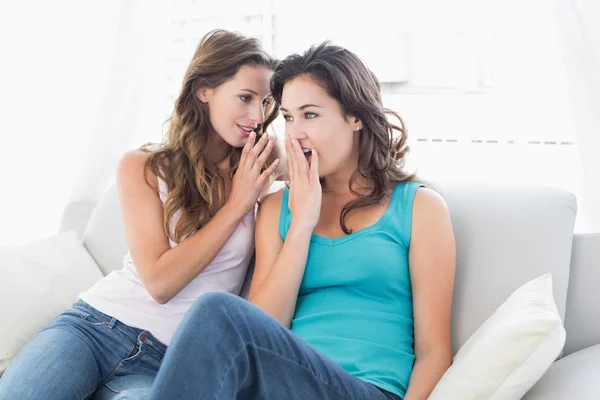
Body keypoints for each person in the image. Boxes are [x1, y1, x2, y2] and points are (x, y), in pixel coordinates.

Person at [147, 42, 456, 400]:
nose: (295, 133)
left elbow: (435, 350)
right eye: (288, 118)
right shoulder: (279, 208)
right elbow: (264, 327)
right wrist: (302, 222)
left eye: (310, 115)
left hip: (366, 389)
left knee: (216, 310)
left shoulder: (419, 208)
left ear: (355, 117)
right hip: (283, 386)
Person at [0, 29, 281, 400]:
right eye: (245, 97)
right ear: (204, 91)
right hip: (93, 327)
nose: (256, 115)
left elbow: (328, 164)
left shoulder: (261, 165)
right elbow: (160, 283)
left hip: (168, 361)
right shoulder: (144, 167)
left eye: (264, 103)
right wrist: (237, 206)